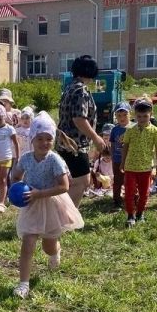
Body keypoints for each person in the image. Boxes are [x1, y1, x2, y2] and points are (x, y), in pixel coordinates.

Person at [11, 115, 84, 299]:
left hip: (51, 203)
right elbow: (16, 175)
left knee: (48, 246)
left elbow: (64, 186)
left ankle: (55, 253)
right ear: (32, 139)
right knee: (28, 243)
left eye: (49, 139)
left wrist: (38, 193)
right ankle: (23, 284)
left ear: (54, 139)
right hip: (32, 205)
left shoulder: (54, 160)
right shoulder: (26, 158)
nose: (44, 143)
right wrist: (17, 189)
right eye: (40, 139)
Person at [57, 54, 106, 208]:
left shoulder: (69, 87)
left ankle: (64, 215)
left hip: (64, 141)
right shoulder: (81, 91)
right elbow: (79, 119)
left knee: (73, 181)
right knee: (82, 182)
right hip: (74, 144)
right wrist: (96, 138)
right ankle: (67, 218)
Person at [120, 98, 157, 227]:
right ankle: (130, 215)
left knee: (144, 193)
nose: (142, 119)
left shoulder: (155, 131)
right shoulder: (130, 130)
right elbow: (125, 147)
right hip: (130, 167)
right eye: (139, 116)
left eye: (145, 116)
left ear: (151, 114)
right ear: (135, 116)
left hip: (146, 168)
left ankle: (140, 213)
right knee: (129, 192)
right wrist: (122, 163)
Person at [109, 102, 131, 210]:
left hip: (130, 160)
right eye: (119, 115)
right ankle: (117, 200)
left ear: (129, 114)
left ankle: (130, 198)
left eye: (124, 115)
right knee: (117, 180)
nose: (122, 118)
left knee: (130, 180)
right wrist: (112, 156)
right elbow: (112, 143)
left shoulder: (133, 128)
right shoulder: (115, 129)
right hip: (117, 159)